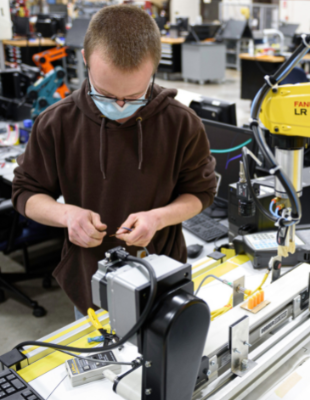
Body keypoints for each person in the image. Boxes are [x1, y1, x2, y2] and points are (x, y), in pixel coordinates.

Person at [11, 5, 217, 318]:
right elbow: (25, 193)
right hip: (89, 282)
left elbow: (201, 193)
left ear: (153, 70)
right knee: (99, 361)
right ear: (84, 59)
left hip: (161, 276)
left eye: (134, 96)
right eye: (105, 93)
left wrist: (159, 218)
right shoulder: (55, 123)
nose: (120, 106)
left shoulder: (182, 123)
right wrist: (67, 215)